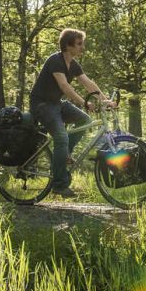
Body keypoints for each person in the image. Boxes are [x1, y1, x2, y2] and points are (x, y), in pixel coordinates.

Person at [29, 28, 114, 198]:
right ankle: (59, 184)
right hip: (42, 105)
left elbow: (88, 83)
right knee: (61, 137)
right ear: (68, 46)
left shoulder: (73, 64)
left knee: (85, 120)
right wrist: (83, 102)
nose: (83, 48)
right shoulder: (56, 61)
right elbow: (64, 87)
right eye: (79, 44)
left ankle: (65, 153)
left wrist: (105, 100)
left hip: (56, 103)